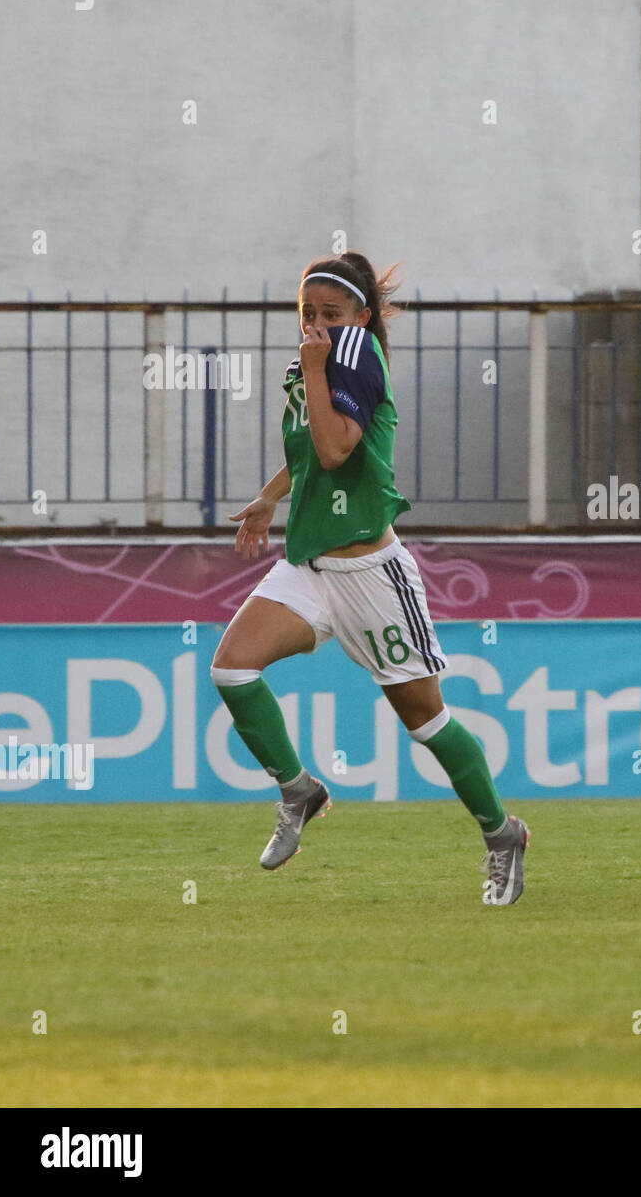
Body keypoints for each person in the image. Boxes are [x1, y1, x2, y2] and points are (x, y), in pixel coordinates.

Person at [211, 252, 529, 904]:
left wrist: (320, 365)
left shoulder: (355, 360)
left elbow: (336, 448)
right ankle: (299, 789)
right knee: (233, 668)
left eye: (331, 313)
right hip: (310, 565)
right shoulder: (310, 365)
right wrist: (272, 495)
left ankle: (503, 836)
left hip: (371, 575)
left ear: (362, 316)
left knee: (426, 722)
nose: (317, 324)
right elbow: (307, 453)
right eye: (308, 313)